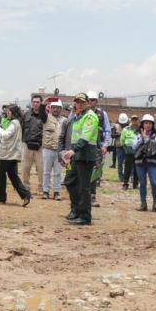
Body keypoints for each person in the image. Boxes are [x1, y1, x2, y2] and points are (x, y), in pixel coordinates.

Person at [61, 93, 102, 225]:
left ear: (87, 104)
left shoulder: (90, 117)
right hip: (76, 155)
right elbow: (74, 138)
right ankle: (77, 210)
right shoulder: (78, 117)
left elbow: (85, 137)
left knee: (84, 187)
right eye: (77, 102)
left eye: (81, 102)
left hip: (85, 156)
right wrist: (69, 152)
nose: (78, 104)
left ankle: (85, 216)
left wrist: (73, 150)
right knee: (69, 181)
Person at [0, 104, 32, 205]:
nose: (7, 113)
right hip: (13, 154)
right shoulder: (17, 123)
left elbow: (5, 135)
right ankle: (25, 194)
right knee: (13, 175)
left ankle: (1, 198)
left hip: (7, 154)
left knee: (1, 175)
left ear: (13, 112)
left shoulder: (14, 123)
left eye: (9, 111)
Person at [130, 115, 156, 211]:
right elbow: (133, 147)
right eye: (146, 123)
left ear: (152, 125)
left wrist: (146, 139)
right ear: (143, 124)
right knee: (142, 183)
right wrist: (141, 139)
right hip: (140, 162)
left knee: (154, 183)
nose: (148, 125)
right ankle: (143, 203)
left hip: (152, 163)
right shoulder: (137, 134)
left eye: (149, 123)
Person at [40, 98, 67, 199]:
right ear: (50, 108)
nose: (55, 109)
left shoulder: (65, 120)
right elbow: (41, 112)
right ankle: (45, 191)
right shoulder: (46, 118)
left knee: (58, 172)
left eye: (58, 108)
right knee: (46, 171)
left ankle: (56, 192)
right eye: (53, 107)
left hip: (59, 150)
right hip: (47, 149)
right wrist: (43, 104)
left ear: (61, 109)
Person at [21, 95, 45, 195]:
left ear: (40, 103)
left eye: (38, 102)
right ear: (31, 103)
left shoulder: (44, 115)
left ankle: (42, 187)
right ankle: (26, 187)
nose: (35, 104)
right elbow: (22, 128)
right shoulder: (26, 114)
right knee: (25, 167)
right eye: (34, 102)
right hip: (27, 145)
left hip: (40, 146)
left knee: (41, 168)